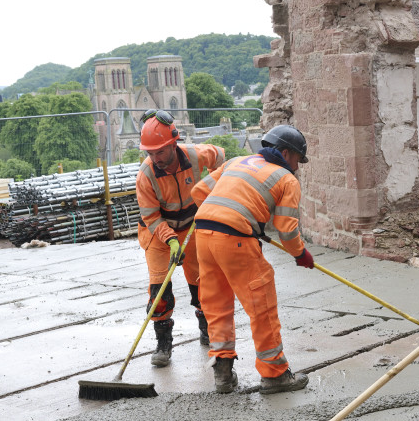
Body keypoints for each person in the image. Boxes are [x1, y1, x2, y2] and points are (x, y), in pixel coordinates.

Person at [191, 124, 315, 394]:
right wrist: (300, 254)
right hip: (235, 240)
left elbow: (198, 193)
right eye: (297, 159)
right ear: (285, 152)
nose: (298, 166)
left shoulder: (237, 161)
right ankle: (275, 374)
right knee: (262, 306)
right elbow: (286, 229)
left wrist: (222, 215)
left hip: (203, 236)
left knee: (216, 306)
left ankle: (222, 374)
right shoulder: (286, 179)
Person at [135, 110, 226, 366]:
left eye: (160, 152)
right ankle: (163, 345)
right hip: (157, 232)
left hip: (191, 225)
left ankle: (206, 328)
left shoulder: (195, 155)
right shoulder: (146, 175)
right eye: (149, 153)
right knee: (159, 288)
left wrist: (215, 188)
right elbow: (151, 217)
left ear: (173, 144)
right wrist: (171, 240)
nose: (155, 158)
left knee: (201, 280)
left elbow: (220, 156)